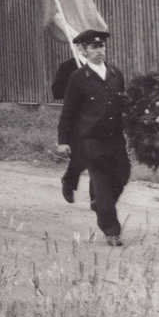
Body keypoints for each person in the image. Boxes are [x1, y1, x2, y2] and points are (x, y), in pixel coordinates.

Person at [56, 30, 128, 246]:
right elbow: (68, 111)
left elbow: (122, 104)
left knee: (122, 176)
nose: (99, 51)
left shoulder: (116, 74)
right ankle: (111, 230)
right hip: (90, 139)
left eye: (102, 46)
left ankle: (100, 204)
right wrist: (63, 140)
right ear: (83, 50)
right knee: (103, 183)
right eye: (94, 47)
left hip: (115, 138)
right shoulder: (78, 77)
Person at [53, 51, 93, 207]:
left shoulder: (99, 67)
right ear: (77, 46)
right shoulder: (67, 66)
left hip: (97, 119)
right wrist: (76, 85)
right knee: (79, 158)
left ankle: (96, 199)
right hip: (76, 120)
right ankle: (69, 179)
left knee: (96, 158)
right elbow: (56, 92)